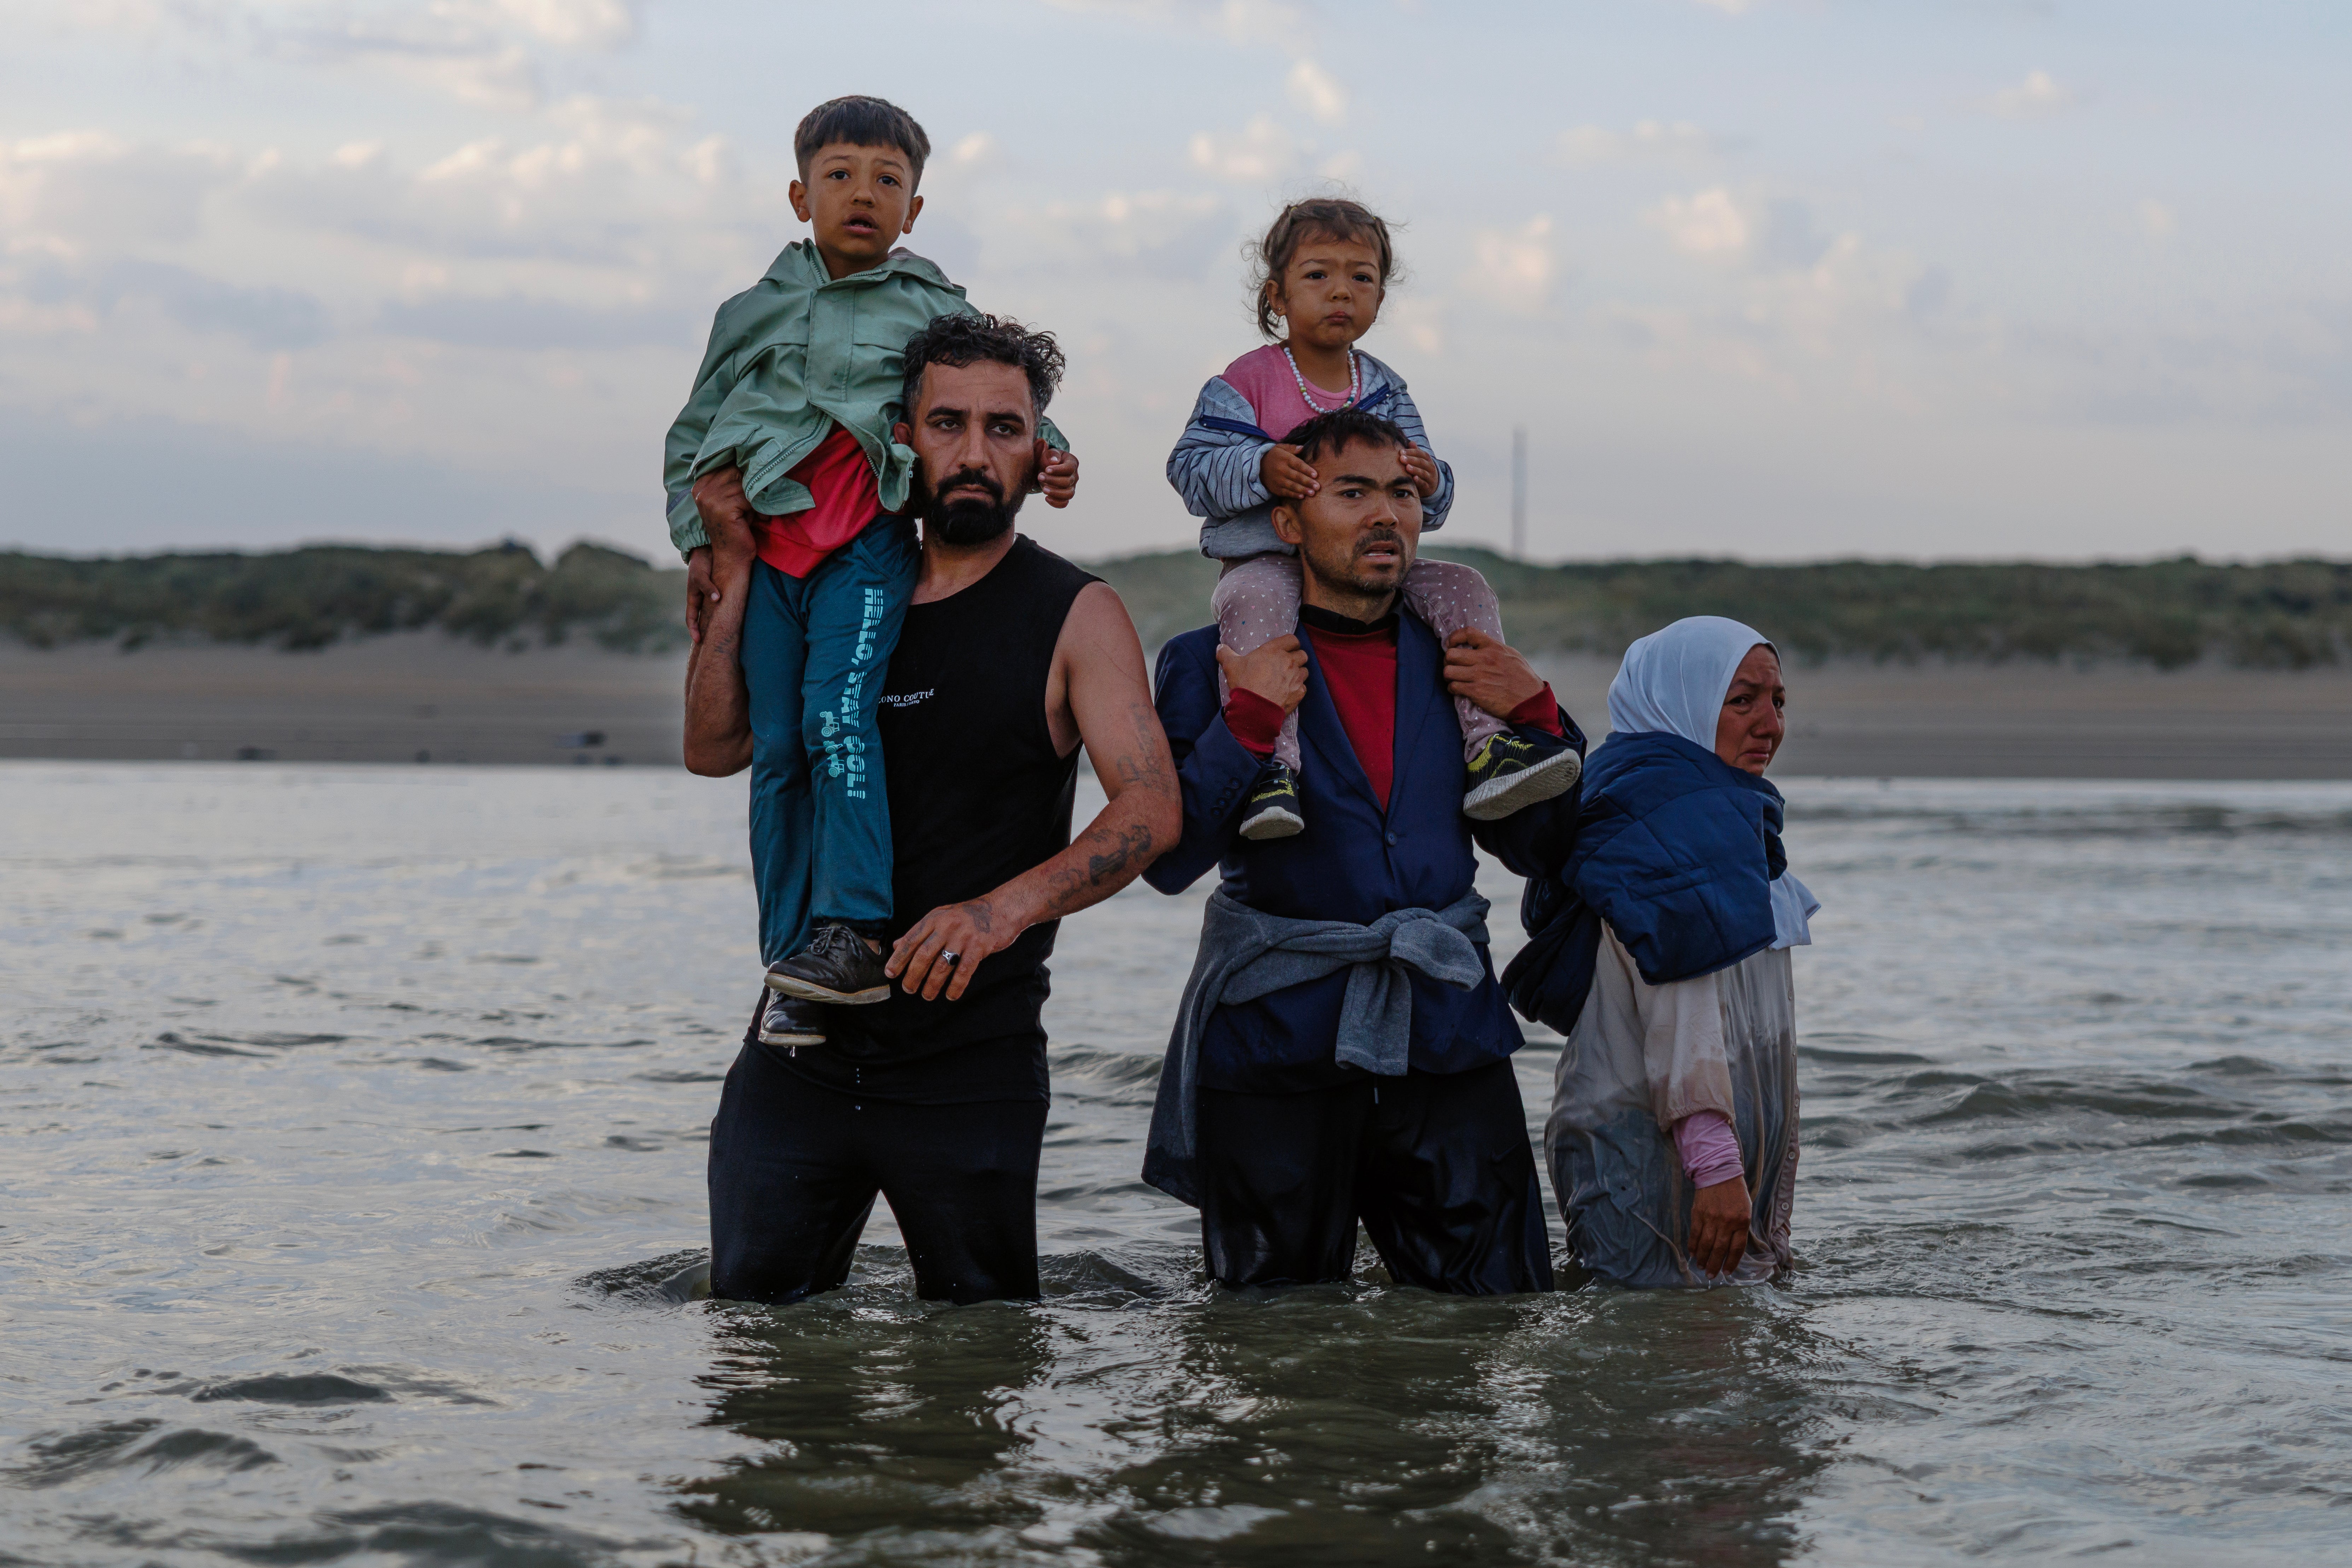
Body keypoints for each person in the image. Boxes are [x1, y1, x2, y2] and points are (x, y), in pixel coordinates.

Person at [683, 314, 1179, 1305]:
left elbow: (1151, 810)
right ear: (899, 436)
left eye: (1004, 428)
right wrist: (735, 579)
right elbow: (712, 748)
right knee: (755, 1361)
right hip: (798, 1054)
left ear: (1040, 451)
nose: (973, 452)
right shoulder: (824, 588)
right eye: (946, 422)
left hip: (971, 1063)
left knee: (980, 1371)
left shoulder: (1073, 612)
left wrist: (1000, 912)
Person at [1141, 406, 1582, 1294]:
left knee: (1497, 1324)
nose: (1387, 515)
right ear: (1289, 521)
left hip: (1447, 1036)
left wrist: (1538, 715)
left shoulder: (1463, 661)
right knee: (1273, 1346)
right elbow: (1169, 856)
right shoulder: (1213, 660)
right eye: (1353, 493)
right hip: (1275, 1045)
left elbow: (1542, 848)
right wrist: (1251, 720)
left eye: (1402, 493)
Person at [663, 95, 1079, 1020]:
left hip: (865, 547)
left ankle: (852, 929)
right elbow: (693, 433)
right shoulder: (749, 312)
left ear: (915, 210)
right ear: (798, 194)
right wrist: (699, 542)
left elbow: (993, 386)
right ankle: (790, 971)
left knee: (838, 722)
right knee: (776, 753)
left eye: (887, 181)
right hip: (771, 556)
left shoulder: (934, 305)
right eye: (840, 175)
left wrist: (1048, 449)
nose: (863, 194)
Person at [1165, 196, 1578, 841]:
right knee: (1251, 599)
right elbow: (1190, 469)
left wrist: (1433, 481)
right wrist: (1259, 466)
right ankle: (1274, 769)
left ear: (1381, 300)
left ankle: (1490, 744)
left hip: (1373, 567)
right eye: (1318, 275)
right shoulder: (1246, 382)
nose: (1341, 292)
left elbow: (1422, 489)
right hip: (1266, 558)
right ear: (1276, 296)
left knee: (1463, 585)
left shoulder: (1387, 388)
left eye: (1361, 277)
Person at [1504, 617, 1822, 1288]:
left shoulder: (1717, 812)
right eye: (1742, 701)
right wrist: (1717, 1168)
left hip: (1699, 1164)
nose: (1770, 724)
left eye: (1778, 701)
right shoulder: (1669, 823)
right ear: (1681, 700)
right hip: (1656, 1161)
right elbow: (1685, 1012)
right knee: (1661, 1371)